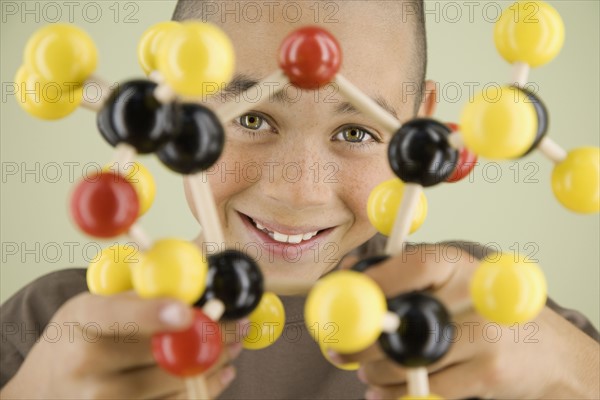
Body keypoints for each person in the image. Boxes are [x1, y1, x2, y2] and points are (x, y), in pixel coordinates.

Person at [1, 1, 599, 399]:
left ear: (424, 127)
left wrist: (575, 375)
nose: (299, 188)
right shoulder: (52, 330)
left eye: (357, 131)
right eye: (252, 117)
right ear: (168, 108)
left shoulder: (486, 312)